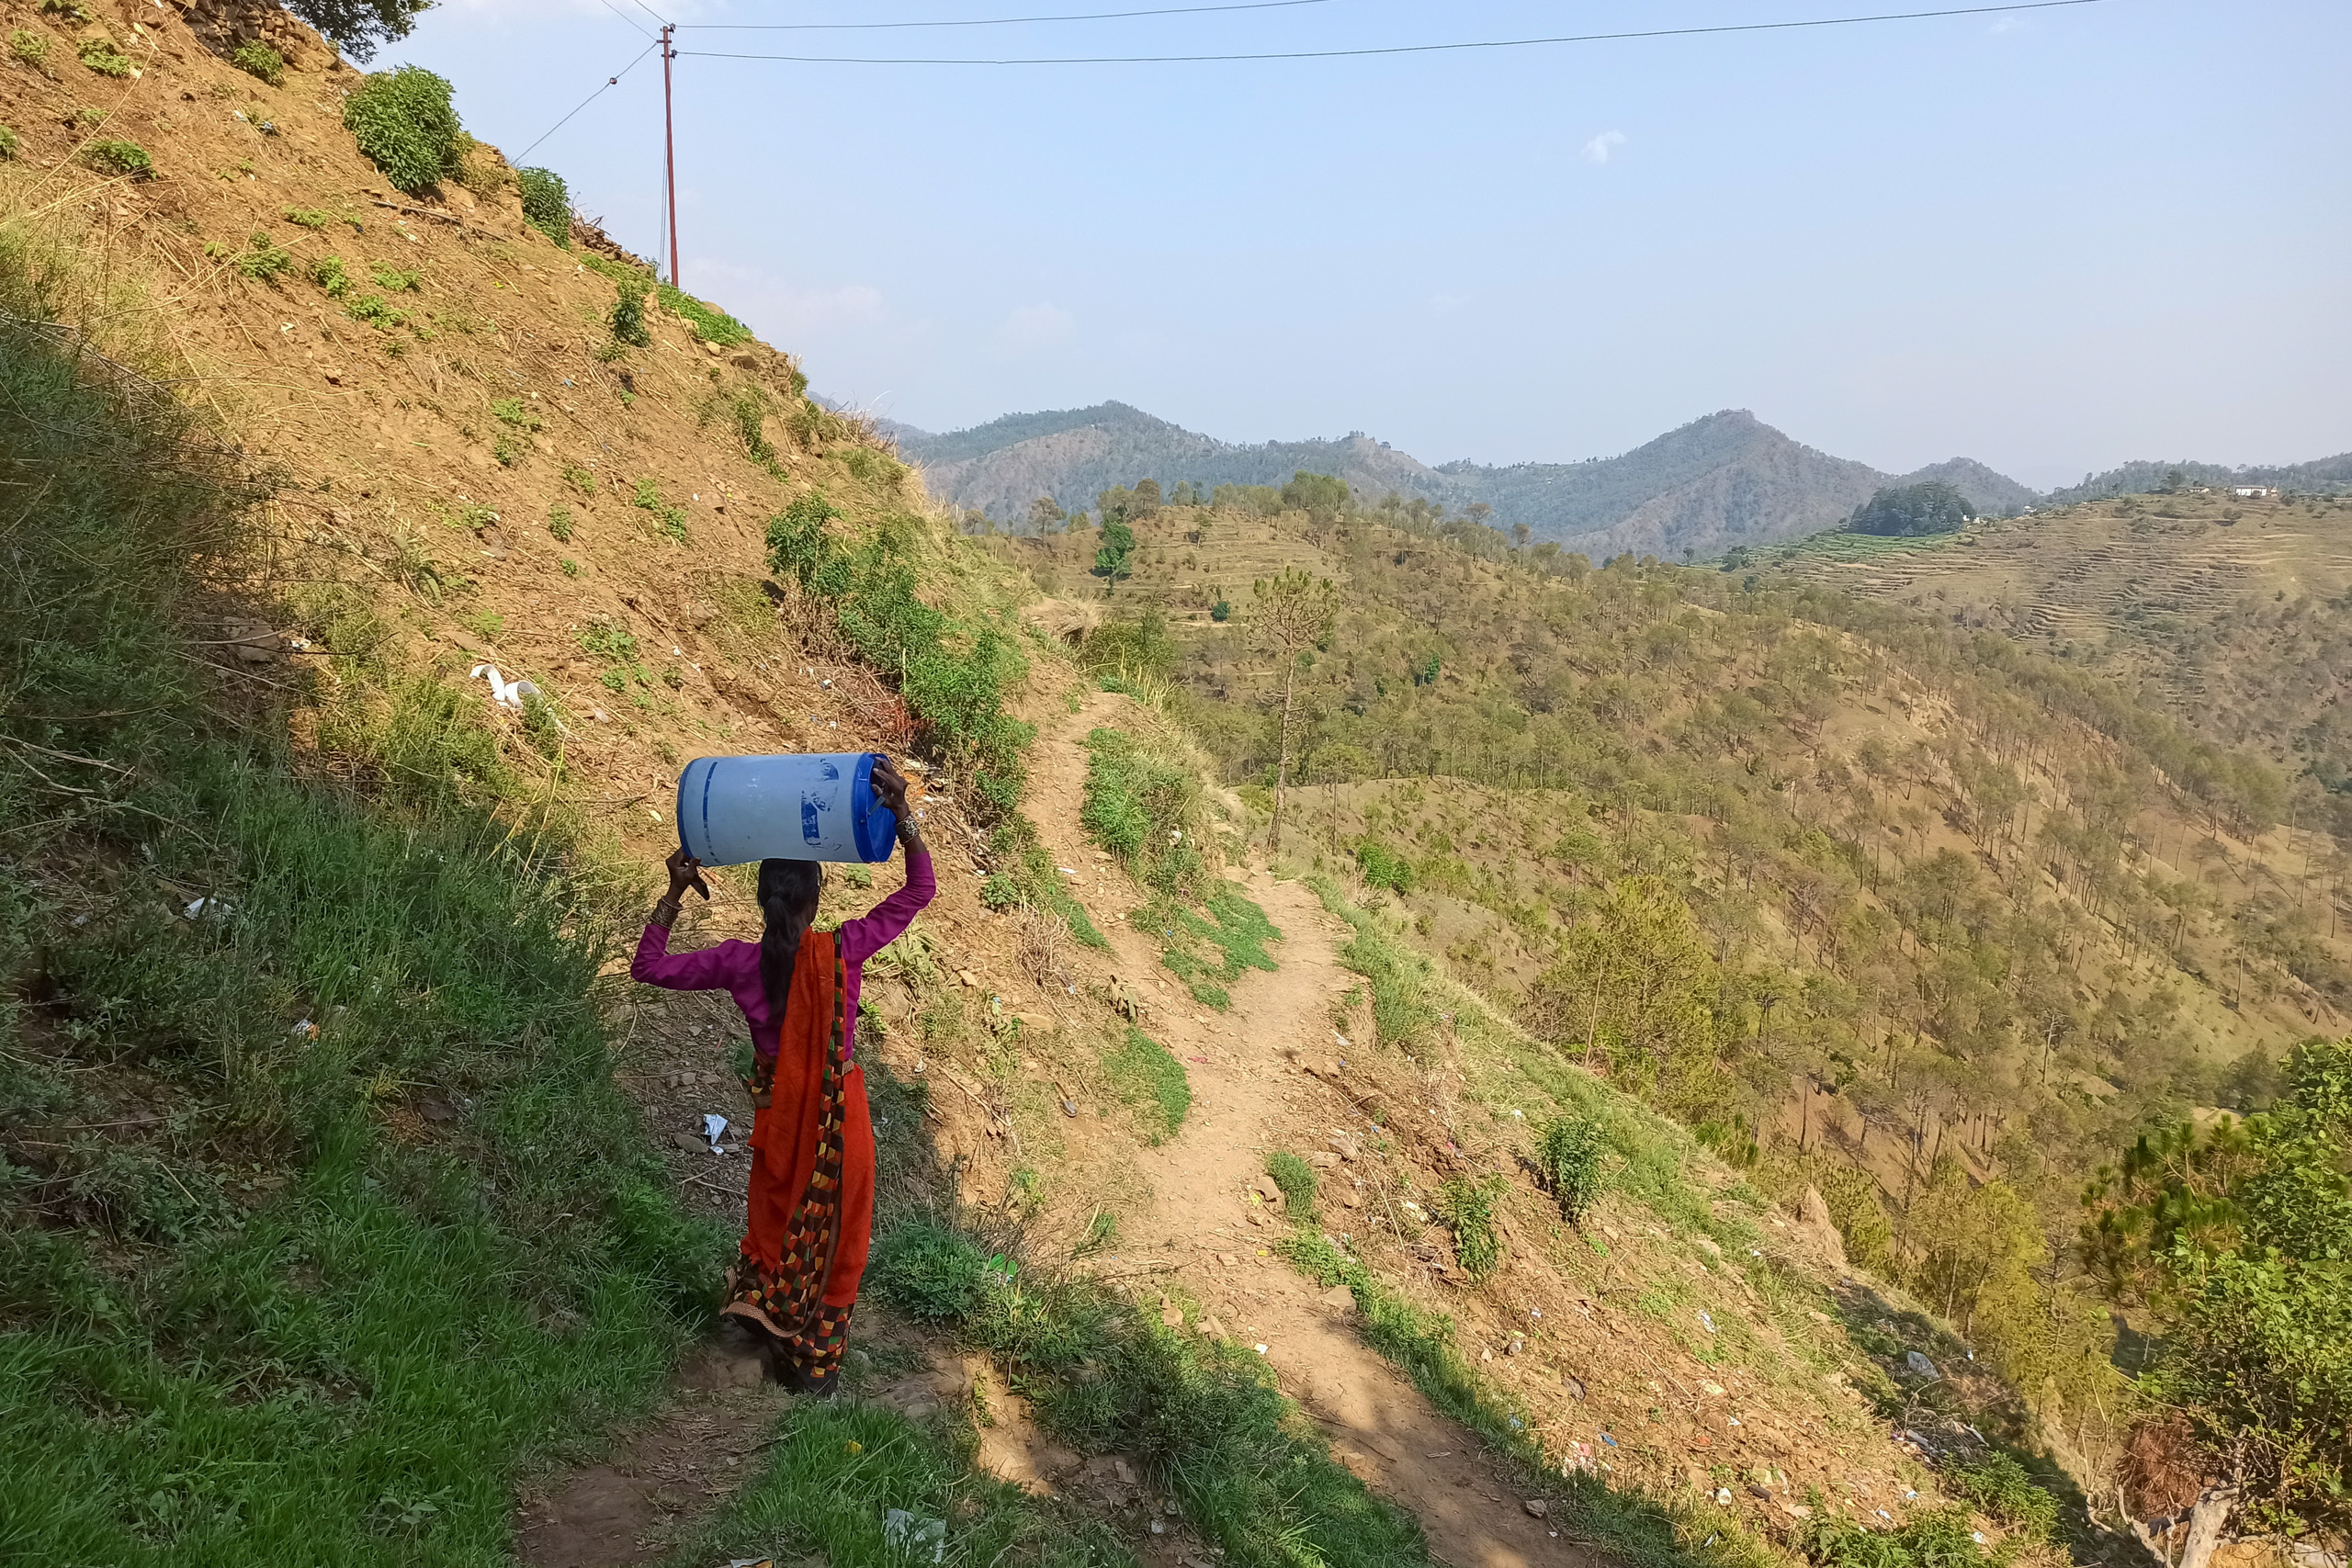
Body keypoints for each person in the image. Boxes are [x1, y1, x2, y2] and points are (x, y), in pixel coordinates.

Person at [631, 755, 933, 1394]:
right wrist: (902, 814)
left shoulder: (739, 962)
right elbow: (918, 891)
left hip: (777, 1114)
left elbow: (647, 967)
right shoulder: (842, 950)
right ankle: (813, 1361)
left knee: (775, 1215)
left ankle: (764, 1318)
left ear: (762, 896)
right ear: (815, 897)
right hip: (835, 1116)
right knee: (835, 1229)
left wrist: (676, 890)